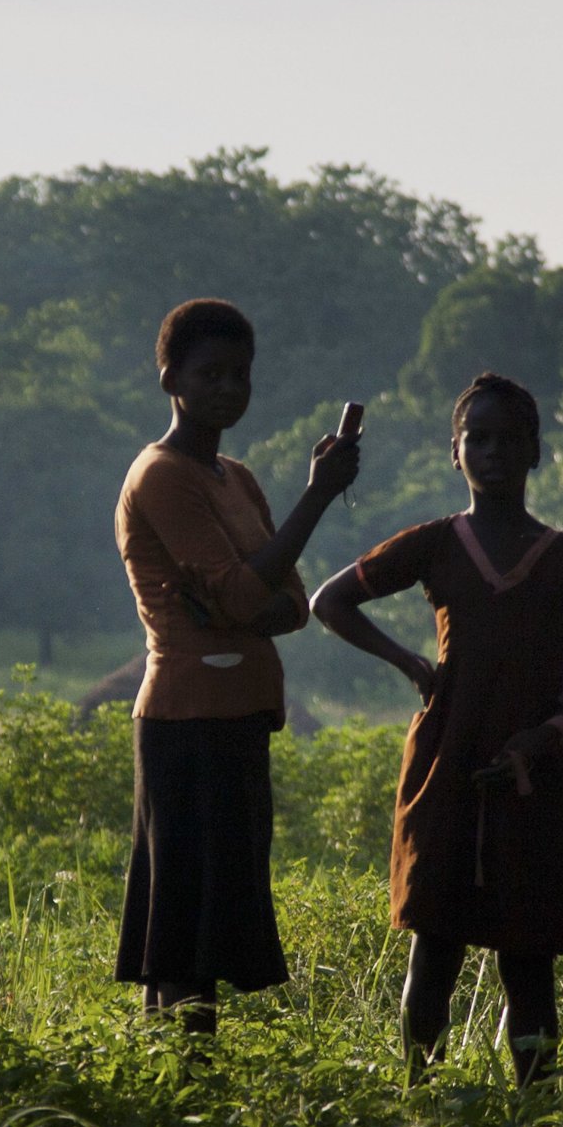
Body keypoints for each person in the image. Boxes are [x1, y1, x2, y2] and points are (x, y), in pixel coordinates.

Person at [310, 372, 563, 1087]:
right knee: (433, 955)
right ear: (455, 452)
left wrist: (541, 739)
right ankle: (421, 1102)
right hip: (446, 767)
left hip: (533, 779)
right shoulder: (435, 544)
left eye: (510, 438)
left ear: (535, 451)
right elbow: (332, 601)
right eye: (477, 437)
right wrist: (410, 662)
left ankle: (532, 1111)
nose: (493, 451)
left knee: (529, 965)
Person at [114, 298, 360, 1033]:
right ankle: (185, 1087)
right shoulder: (161, 476)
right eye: (209, 373)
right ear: (170, 379)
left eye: (240, 374)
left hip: (239, 716)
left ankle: (186, 1085)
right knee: (186, 933)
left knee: (208, 920)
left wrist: (244, 604)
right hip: (187, 721)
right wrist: (317, 496)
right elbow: (246, 591)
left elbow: (287, 603)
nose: (228, 388)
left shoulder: (237, 477)